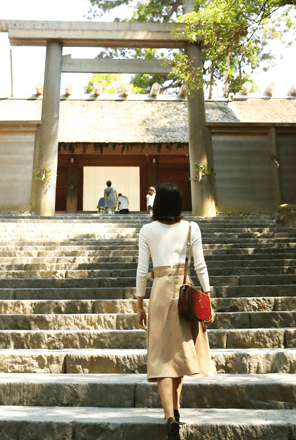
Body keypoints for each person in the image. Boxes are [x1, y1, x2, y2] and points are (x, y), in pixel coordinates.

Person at [135, 182, 215, 440]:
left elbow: (141, 270)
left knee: (161, 356)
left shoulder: (147, 230)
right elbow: (201, 264)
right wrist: (208, 296)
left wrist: (139, 304)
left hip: (159, 291)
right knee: (179, 352)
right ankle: (176, 411)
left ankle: (170, 415)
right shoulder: (192, 228)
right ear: (179, 204)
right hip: (184, 292)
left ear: (157, 204)